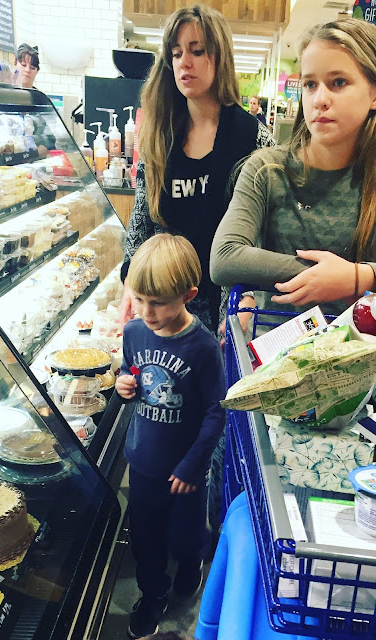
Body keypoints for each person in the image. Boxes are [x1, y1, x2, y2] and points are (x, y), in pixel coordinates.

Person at [210, 19, 376, 316]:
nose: (320, 99)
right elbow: (224, 258)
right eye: (310, 84)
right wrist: (324, 275)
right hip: (276, 338)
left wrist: (354, 277)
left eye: (338, 82)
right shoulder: (266, 168)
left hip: (359, 340)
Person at [119, 4, 274, 336]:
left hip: (226, 310)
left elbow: (266, 231)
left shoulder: (252, 138)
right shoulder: (159, 135)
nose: (184, 62)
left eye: (197, 51)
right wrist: (131, 281)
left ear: (219, 56)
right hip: (163, 310)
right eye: (176, 54)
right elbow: (141, 220)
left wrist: (249, 295)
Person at [115, 234, 225, 639]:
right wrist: (123, 386)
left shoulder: (203, 347)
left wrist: (194, 464)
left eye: (158, 302)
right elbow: (131, 372)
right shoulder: (133, 332)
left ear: (188, 295)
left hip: (187, 469)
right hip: (143, 462)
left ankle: (192, 564)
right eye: (139, 299)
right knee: (146, 538)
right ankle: (153, 594)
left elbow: (216, 410)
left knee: (186, 536)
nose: (146, 312)